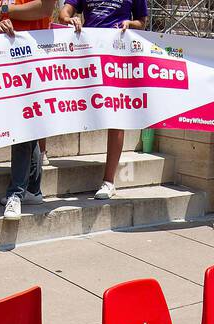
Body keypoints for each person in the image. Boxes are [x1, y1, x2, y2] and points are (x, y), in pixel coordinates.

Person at [58, 0, 148, 199]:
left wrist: (129, 24)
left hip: (117, 55)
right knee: (55, 100)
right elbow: (64, 12)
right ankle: (40, 159)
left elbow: (142, 21)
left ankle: (109, 181)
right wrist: (68, 19)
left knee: (116, 115)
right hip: (87, 54)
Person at [0, 0, 59, 220]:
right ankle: (32, 189)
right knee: (25, 121)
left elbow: (44, 8)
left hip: (35, 54)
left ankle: (16, 193)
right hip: (4, 54)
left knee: (23, 120)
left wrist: (4, 12)